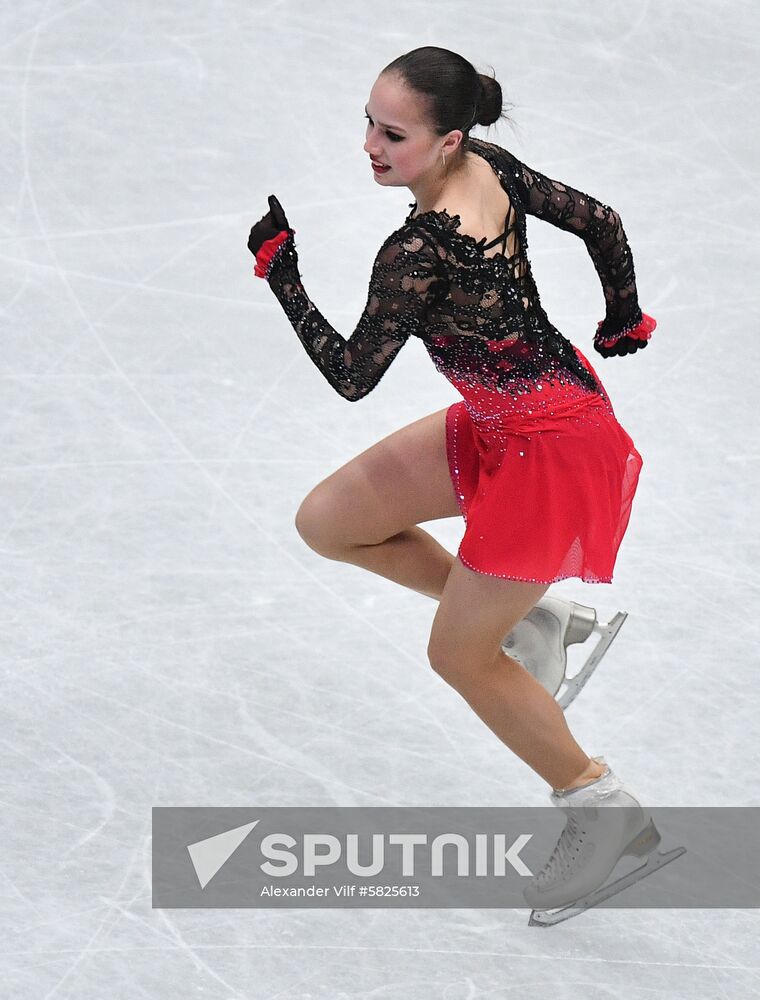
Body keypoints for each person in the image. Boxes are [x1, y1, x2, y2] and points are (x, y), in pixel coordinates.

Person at [247, 47, 675, 922]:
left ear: (447, 141)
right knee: (330, 521)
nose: (370, 144)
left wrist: (283, 277)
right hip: (505, 420)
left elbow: (353, 374)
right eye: (366, 122)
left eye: (392, 133)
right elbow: (599, 220)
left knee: (458, 656)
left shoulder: (417, 249)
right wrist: (620, 312)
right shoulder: (490, 165)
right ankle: (542, 621)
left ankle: (601, 806)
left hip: (552, 450)